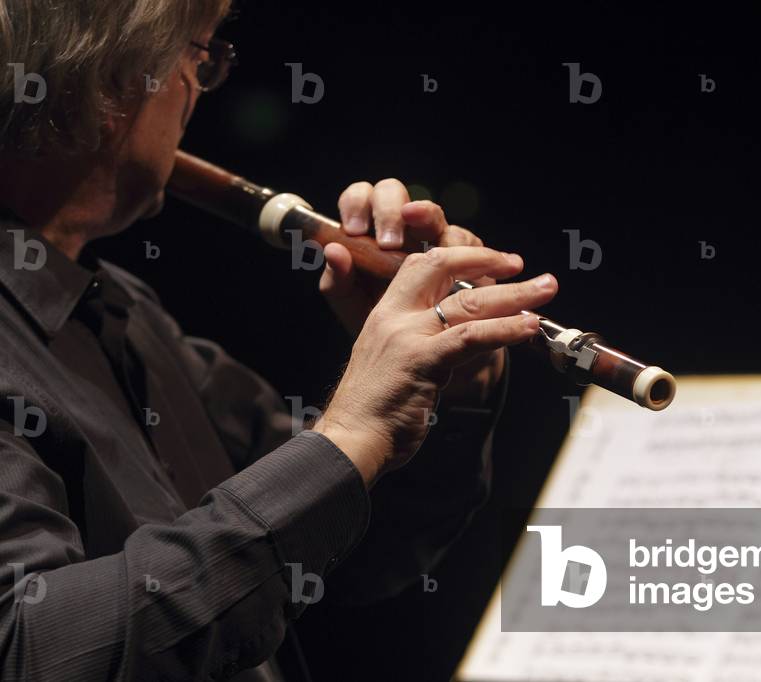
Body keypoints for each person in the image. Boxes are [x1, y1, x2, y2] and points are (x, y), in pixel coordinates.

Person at [0, 1, 558, 679]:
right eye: (200, 56)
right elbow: (32, 649)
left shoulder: (125, 313)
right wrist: (350, 433)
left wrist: (442, 387)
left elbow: (349, 558)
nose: (200, 89)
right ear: (106, 76)